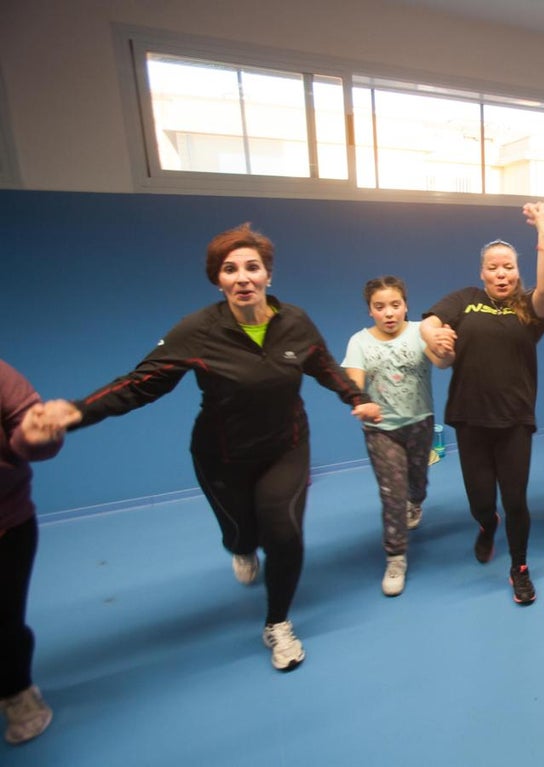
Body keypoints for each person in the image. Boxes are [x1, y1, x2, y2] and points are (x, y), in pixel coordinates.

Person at [39, 224, 381, 672]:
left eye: (252, 268)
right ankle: (240, 545)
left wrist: (356, 398)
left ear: (268, 276)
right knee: (241, 534)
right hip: (221, 456)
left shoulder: (295, 323)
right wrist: (79, 411)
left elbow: (323, 366)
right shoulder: (198, 331)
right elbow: (140, 384)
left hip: (286, 447)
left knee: (284, 532)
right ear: (218, 280)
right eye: (230, 269)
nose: (242, 277)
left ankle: (277, 622)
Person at [420, 202, 544, 605]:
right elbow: (430, 321)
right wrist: (432, 335)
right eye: (493, 267)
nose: (501, 273)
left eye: (508, 267)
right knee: (481, 500)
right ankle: (487, 526)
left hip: (515, 419)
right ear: (482, 272)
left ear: (518, 272)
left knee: (516, 498)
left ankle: (519, 567)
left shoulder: (529, 306)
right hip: (469, 418)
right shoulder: (466, 299)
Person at [343, 276, 450, 597]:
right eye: (380, 307)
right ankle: (395, 556)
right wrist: (360, 402)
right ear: (370, 312)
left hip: (420, 423)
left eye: (395, 305)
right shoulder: (359, 342)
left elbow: (442, 362)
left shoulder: (421, 332)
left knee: (417, 484)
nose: (389, 313)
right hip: (381, 430)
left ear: (405, 305)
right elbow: (353, 381)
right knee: (392, 493)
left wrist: (444, 349)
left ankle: (416, 503)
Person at [0, 361, 64, 744]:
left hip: (6, 524)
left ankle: (17, 692)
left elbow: (32, 438)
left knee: (4, 622)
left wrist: (35, 434)